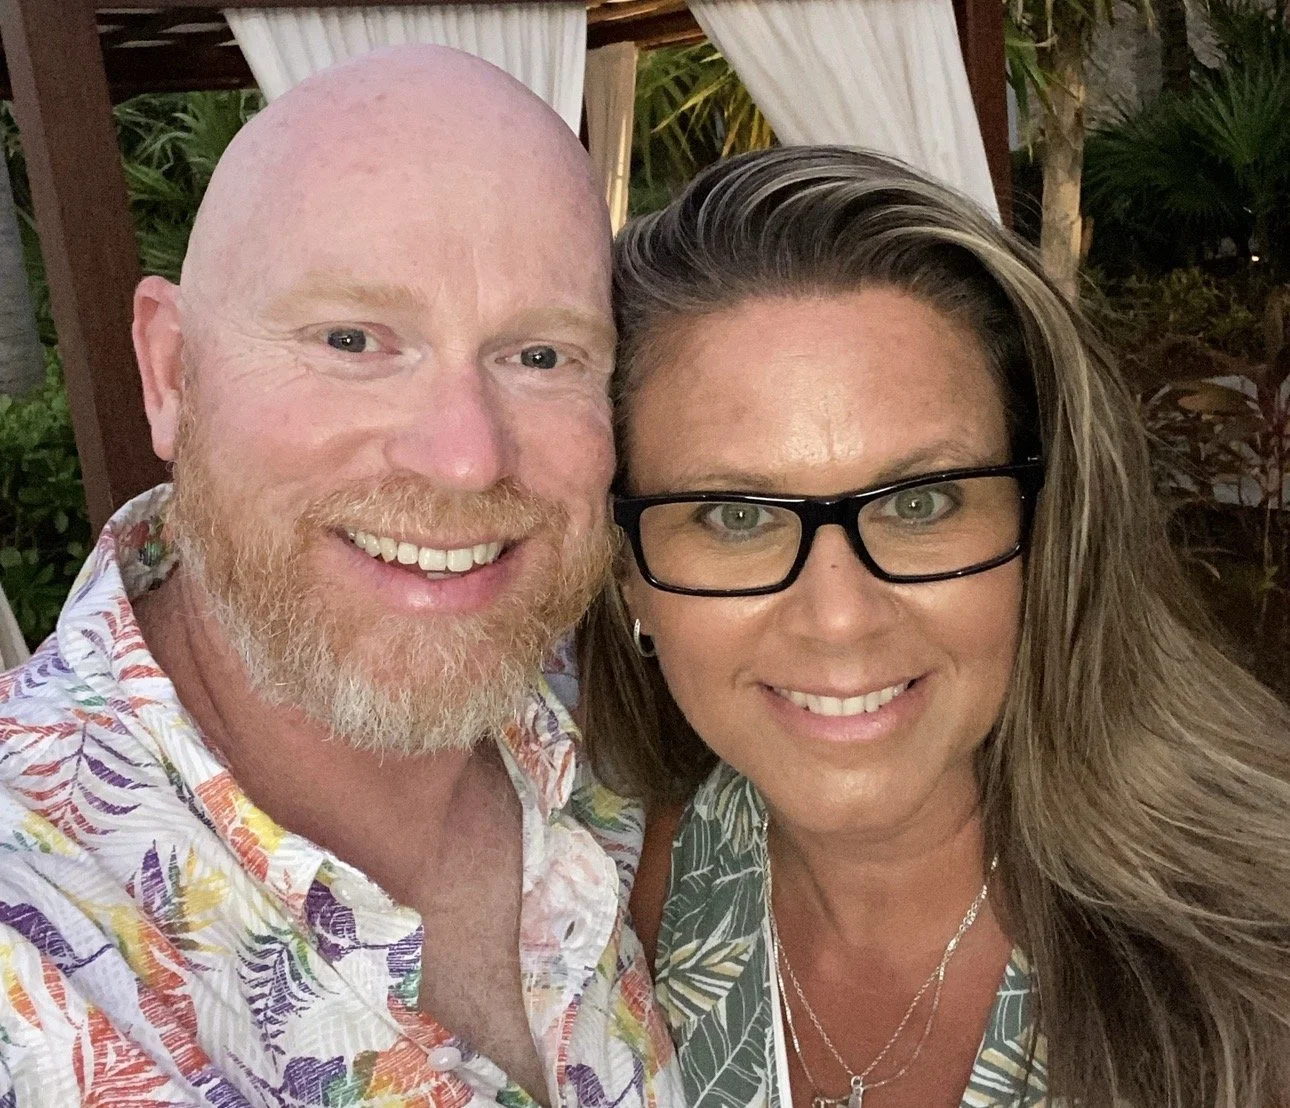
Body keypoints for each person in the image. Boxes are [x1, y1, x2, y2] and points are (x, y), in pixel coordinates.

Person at [0, 46, 682, 1108]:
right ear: (172, 372)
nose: (465, 456)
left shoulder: (636, 718)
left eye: (541, 356)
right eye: (354, 338)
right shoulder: (33, 963)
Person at [579, 147, 1290, 1108]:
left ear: (1046, 527)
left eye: (922, 502)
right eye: (735, 516)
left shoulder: (1255, 972)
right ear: (628, 574)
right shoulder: (588, 914)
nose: (839, 619)